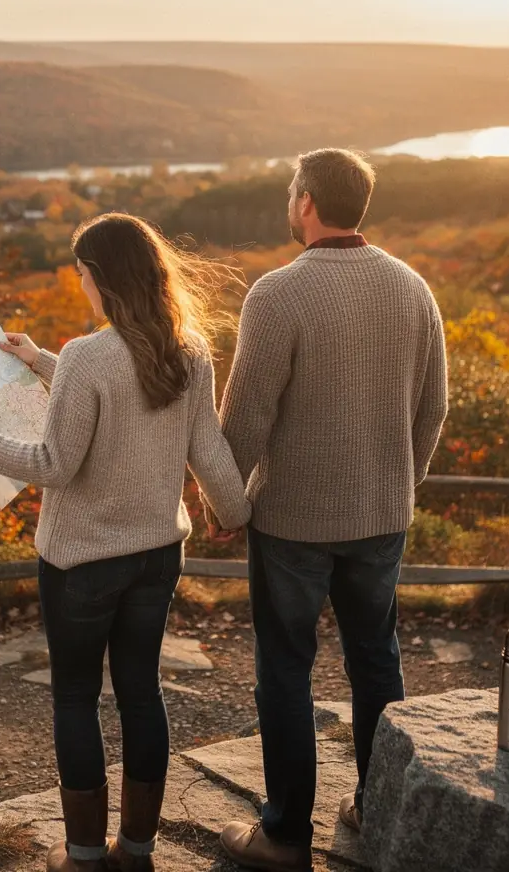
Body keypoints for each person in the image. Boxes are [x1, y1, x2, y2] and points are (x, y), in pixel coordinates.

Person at [0, 214, 251, 872]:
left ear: (100, 276)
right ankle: (137, 851)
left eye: (80, 274)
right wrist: (234, 511)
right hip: (157, 557)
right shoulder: (186, 350)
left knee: (75, 696)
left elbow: (53, 463)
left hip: (81, 566)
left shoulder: (89, 356)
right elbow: (204, 446)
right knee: (141, 694)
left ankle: (82, 856)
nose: (78, 285)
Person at [214, 148, 448, 872]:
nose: (290, 202)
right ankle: (376, 809)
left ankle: (285, 836)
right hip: (382, 517)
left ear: (308, 201)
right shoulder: (412, 287)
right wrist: (399, 484)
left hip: (293, 522)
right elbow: (434, 407)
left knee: (286, 669)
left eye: (292, 191)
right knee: (376, 661)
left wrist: (224, 500)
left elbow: (246, 418)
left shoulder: (278, 293)